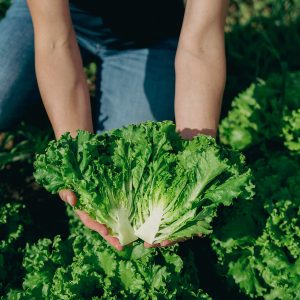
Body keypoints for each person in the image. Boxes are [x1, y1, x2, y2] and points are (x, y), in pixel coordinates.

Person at [0, 0, 228, 250]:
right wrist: (77, 161)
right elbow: (55, 42)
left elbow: (202, 46)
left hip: (150, 35)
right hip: (55, 17)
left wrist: (197, 160)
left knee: (129, 190)